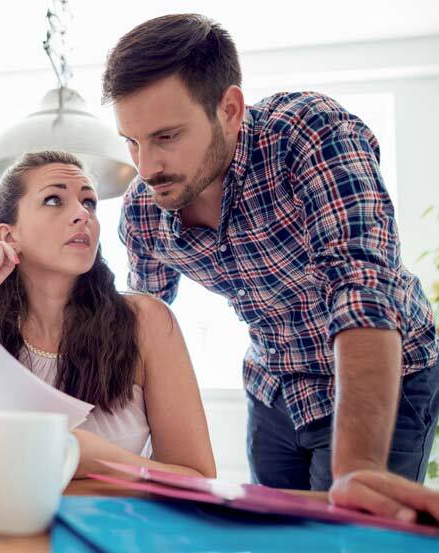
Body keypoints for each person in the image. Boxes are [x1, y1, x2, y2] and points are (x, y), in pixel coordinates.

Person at [103, 13, 439, 521]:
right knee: (274, 534)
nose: (146, 167)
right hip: (274, 383)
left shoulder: (310, 134)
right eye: (132, 140)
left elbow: (362, 287)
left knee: (348, 531)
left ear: (230, 109)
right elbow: (140, 327)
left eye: (167, 137)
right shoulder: (144, 211)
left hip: (380, 370)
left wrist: (354, 473)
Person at [0, 150, 216, 479]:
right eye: (53, 200)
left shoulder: (146, 321)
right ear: (8, 236)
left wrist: (97, 459)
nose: (82, 214)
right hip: (8, 522)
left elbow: (198, 477)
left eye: (88, 202)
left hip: (117, 525)